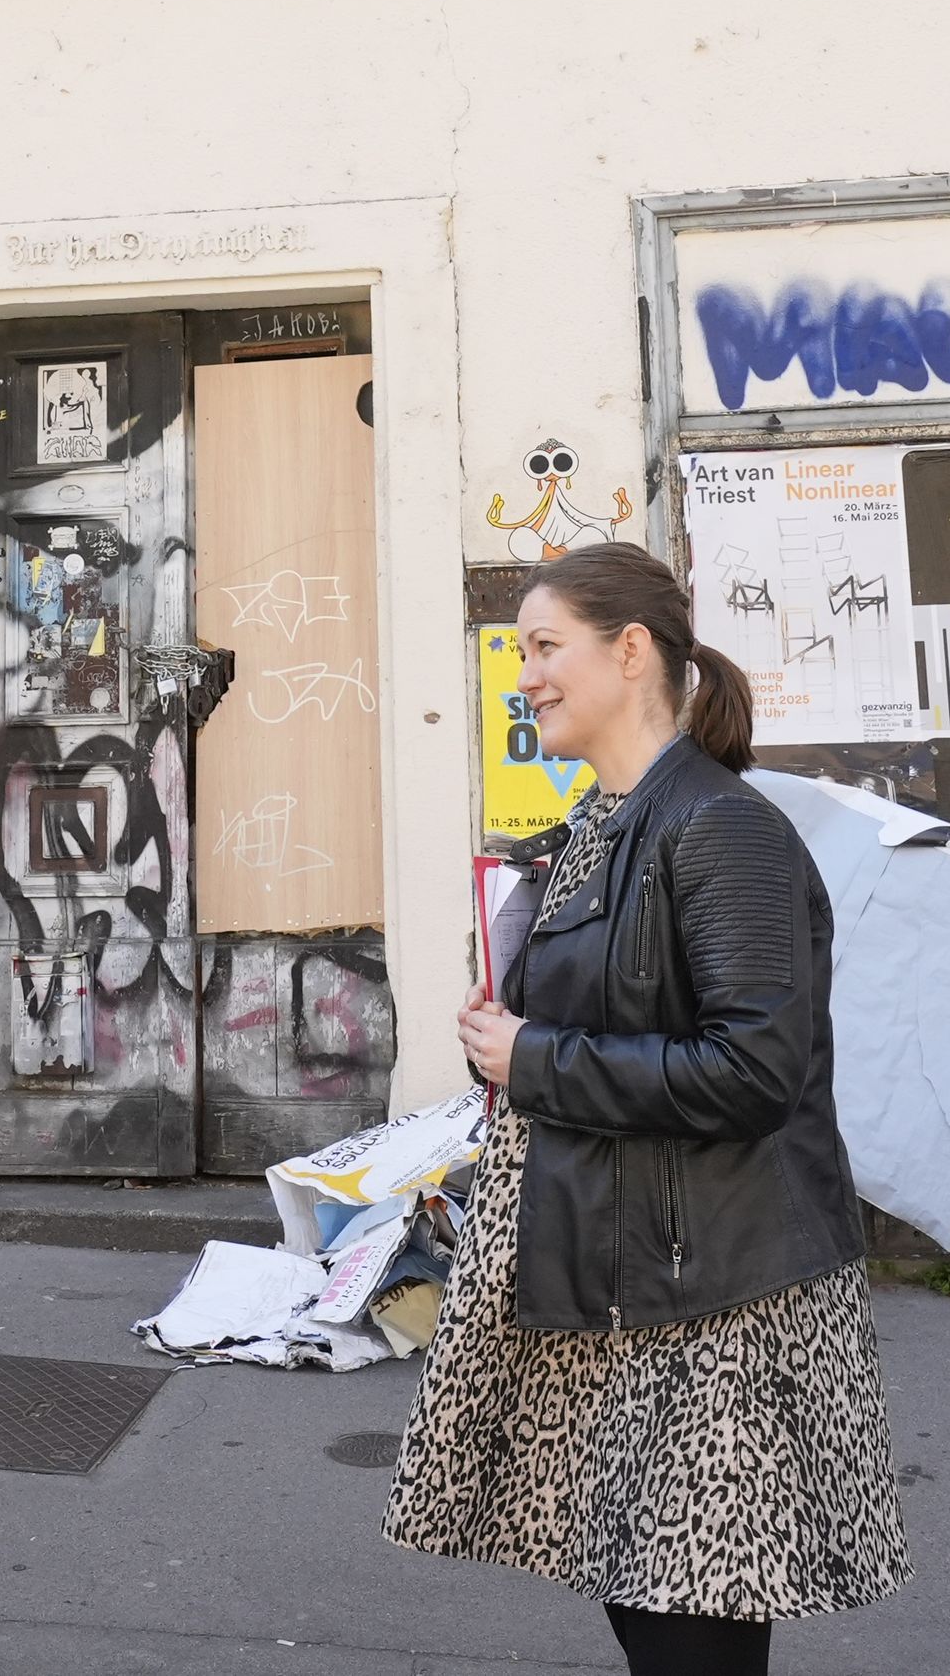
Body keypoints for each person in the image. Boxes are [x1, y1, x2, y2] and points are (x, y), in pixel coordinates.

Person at [388, 544, 907, 1676]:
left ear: (630, 653)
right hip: (630, 1271)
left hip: (717, 1295)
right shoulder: (603, 823)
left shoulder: (717, 829)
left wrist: (535, 1057)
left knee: (687, 1616)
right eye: (520, 649)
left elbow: (753, 1073)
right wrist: (507, 1035)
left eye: (544, 647)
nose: (523, 675)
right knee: (642, 1591)